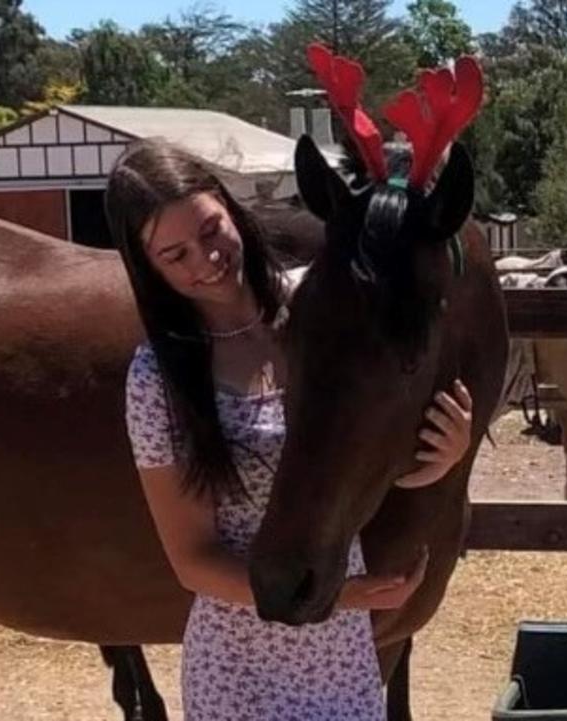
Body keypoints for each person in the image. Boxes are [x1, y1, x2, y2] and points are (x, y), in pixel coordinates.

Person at [109, 139, 474, 721]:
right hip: (240, 663)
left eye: (210, 230)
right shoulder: (157, 379)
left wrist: (442, 456)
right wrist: (343, 597)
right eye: (174, 255)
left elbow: (367, 441)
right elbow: (192, 560)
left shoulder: (317, 311)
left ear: (231, 210)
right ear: (148, 267)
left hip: (342, 657)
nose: (205, 260)